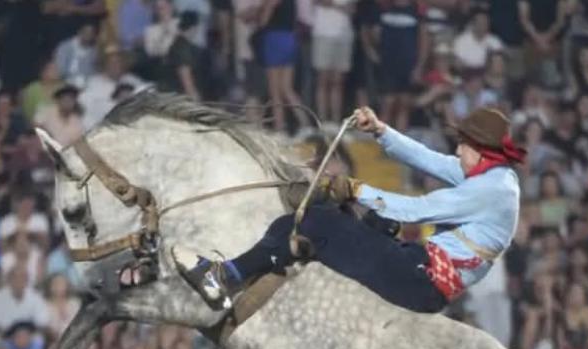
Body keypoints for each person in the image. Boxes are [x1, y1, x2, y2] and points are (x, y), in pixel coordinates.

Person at [175, 106, 526, 313]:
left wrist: (356, 188)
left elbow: (418, 210)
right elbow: (429, 159)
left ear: (482, 150)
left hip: (421, 277)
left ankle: (224, 277)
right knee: (358, 220)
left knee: (316, 223)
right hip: (422, 269)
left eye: (464, 144)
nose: (458, 148)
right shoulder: (490, 174)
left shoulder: (490, 189)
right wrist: (381, 131)